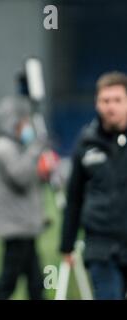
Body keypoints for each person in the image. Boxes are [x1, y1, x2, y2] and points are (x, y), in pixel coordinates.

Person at [60, 71, 127, 300]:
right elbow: (74, 196)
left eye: (117, 100)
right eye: (105, 100)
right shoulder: (86, 142)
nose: (111, 107)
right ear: (97, 103)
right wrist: (66, 244)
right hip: (101, 245)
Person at [0, 96, 47, 300]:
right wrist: (35, 149)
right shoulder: (4, 146)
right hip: (16, 226)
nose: (28, 127)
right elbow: (20, 176)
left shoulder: (11, 145)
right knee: (8, 281)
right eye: (24, 123)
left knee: (35, 281)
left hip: (23, 225)